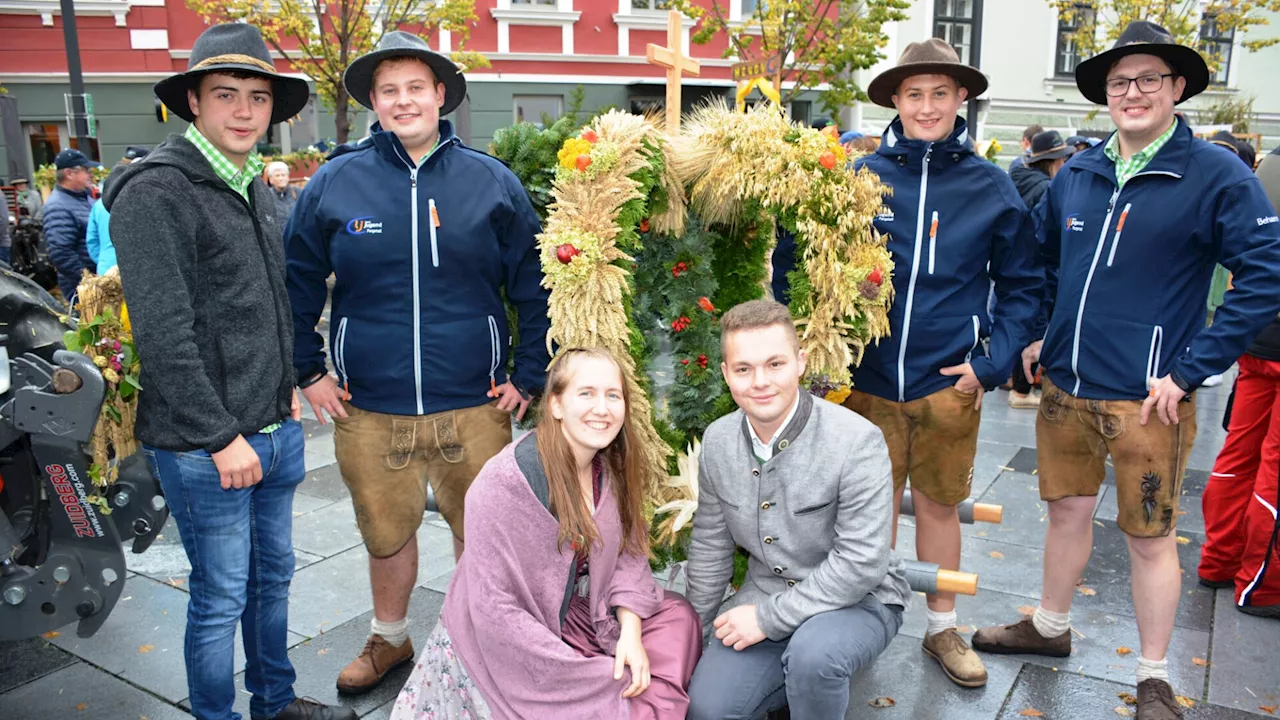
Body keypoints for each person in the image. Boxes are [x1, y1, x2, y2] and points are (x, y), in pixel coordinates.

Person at [972, 22, 1280, 720]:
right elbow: (1045, 265)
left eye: (1148, 80)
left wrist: (1192, 369)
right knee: (1065, 514)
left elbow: (1265, 278)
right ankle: (1050, 628)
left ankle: (1154, 678)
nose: (1132, 92)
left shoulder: (1216, 175)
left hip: (1149, 401)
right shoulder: (1078, 171)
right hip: (1066, 388)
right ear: (1106, 95)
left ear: (1176, 89)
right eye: (1120, 82)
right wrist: (1038, 334)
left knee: (1148, 538)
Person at [285, 30, 551, 694]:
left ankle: (477, 641)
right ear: (374, 101)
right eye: (389, 91)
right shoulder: (336, 182)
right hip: (370, 406)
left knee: (484, 535)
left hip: (476, 403)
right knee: (384, 534)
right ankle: (391, 639)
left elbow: (532, 286)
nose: (403, 101)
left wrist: (527, 376)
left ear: (440, 96)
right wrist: (308, 369)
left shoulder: (490, 181)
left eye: (416, 88)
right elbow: (293, 279)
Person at [104, 23, 356, 720]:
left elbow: (270, 307)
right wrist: (221, 437)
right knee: (221, 596)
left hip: (272, 431)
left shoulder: (253, 188)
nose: (244, 111)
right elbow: (165, 335)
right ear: (194, 101)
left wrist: (292, 387)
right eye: (226, 95)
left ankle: (272, 703)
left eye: (257, 97)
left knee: (271, 581)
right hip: (207, 445)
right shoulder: (158, 192)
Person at [840, 38, 1041, 689]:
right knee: (861, 514)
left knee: (938, 506)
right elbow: (811, 267)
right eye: (914, 93)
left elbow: (1024, 287)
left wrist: (991, 363)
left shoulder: (991, 186)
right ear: (895, 100)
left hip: (947, 383)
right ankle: (853, 624)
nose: (927, 105)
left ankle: (941, 628)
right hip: (863, 383)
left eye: (940, 93)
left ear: (961, 99)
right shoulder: (860, 181)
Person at [392, 347, 701, 719]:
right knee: (621, 687)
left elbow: (628, 554)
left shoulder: (608, 469)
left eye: (612, 395)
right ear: (555, 405)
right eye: (586, 394)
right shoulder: (505, 484)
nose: (602, 408)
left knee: (677, 618)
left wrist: (631, 635)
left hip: (581, 611)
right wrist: (578, 671)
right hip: (514, 637)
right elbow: (496, 612)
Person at [683, 300, 911, 720]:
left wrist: (769, 620)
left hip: (859, 601)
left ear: (800, 362)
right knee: (706, 709)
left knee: (813, 660)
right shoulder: (718, 441)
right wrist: (685, 637)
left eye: (775, 364)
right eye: (744, 369)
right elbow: (711, 547)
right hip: (767, 592)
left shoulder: (856, 440)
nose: (760, 382)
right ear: (725, 374)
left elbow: (862, 564)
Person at [1197, 141, 1280, 619]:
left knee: (1238, 456)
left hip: (1257, 340)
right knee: (1271, 468)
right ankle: (1260, 586)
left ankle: (1220, 559)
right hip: (1267, 339)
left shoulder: (1268, 167)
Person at [1006, 130, 1075, 410]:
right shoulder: (1046, 189)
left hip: (1012, 268)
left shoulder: (1016, 180)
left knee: (1018, 323)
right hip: (1037, 270)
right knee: (1033, 329)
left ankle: (1018, 384)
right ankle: (1023, 389)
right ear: (1053, 161)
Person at [42, 148, 99, 306]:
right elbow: (61, 253)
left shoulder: (83, 198)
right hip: (83, 288)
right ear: (69, 173)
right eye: (85, 170)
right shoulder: (58, 206)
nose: (90, 174)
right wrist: (89, 280)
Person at [87, 145, 149, 274]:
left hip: (106, 272)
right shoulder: (147, 201)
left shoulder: (99, 204)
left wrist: (105, 261)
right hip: (136, 273)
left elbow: (92, 242)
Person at [266, 160, 300, 227]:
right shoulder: (267, 195)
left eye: (283, 175)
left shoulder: (296, 191)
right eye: (277, 176)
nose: (281, 178)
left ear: (288, 177)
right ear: (271, 180)